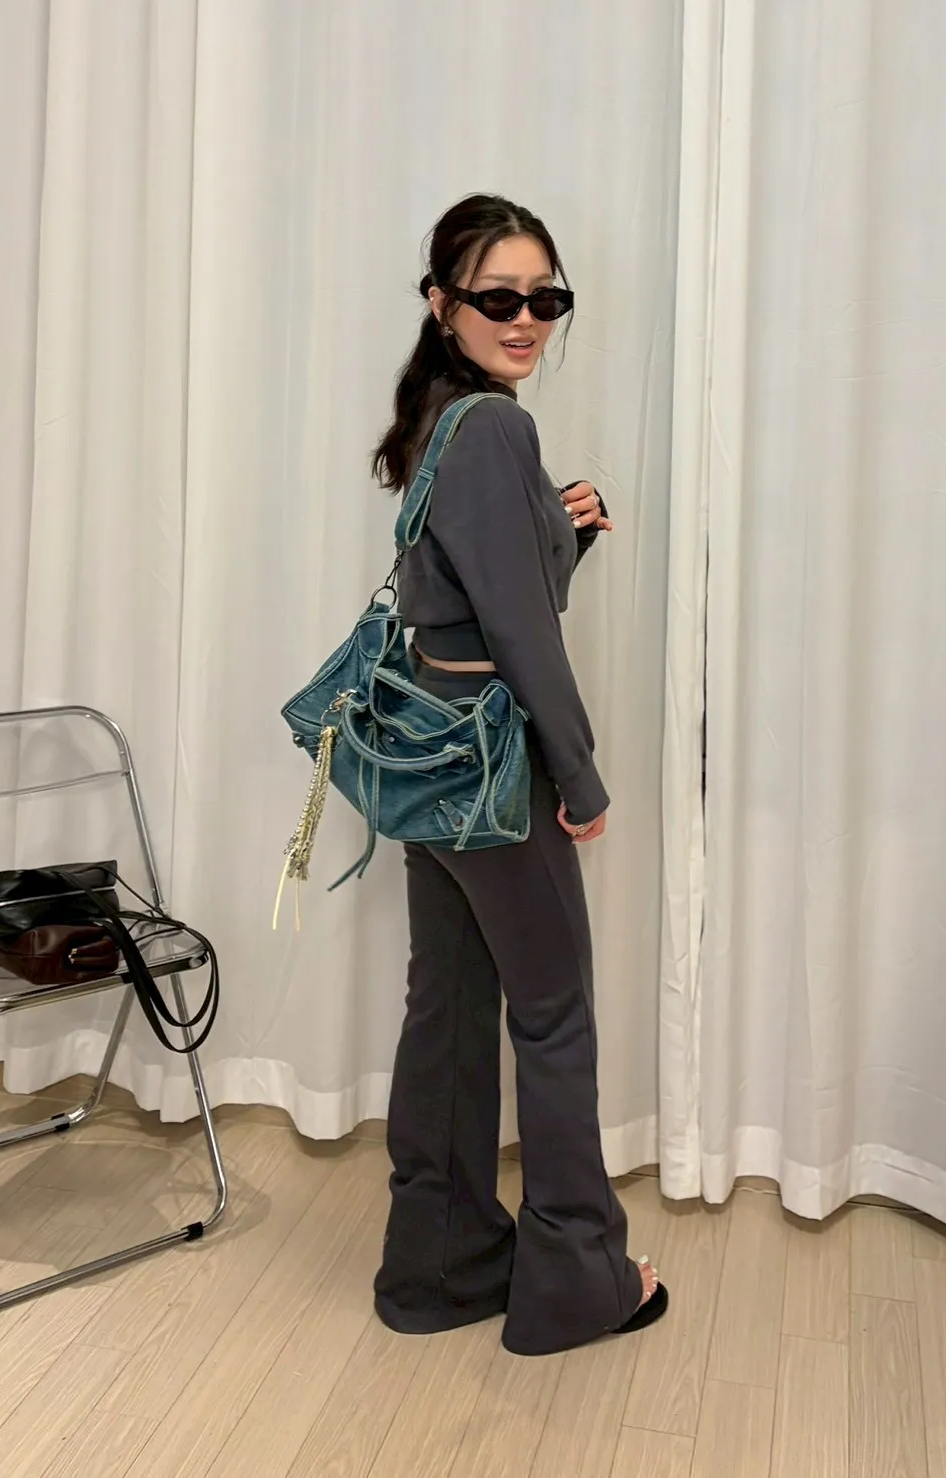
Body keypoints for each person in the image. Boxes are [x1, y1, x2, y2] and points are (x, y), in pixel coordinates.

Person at [369, 194, 669, 1357]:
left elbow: (467, 597)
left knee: (447, 1006)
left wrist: (561, 535)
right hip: (493, 766)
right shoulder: (493, 429)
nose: (526, 317)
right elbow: (521, 634)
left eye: (547, 297)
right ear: (442, 304)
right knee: (552, 1016)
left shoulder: (441, 420)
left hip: (427, 755)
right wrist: (579, 780)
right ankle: (575, 1280)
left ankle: (436, 1263)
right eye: (499, 296)